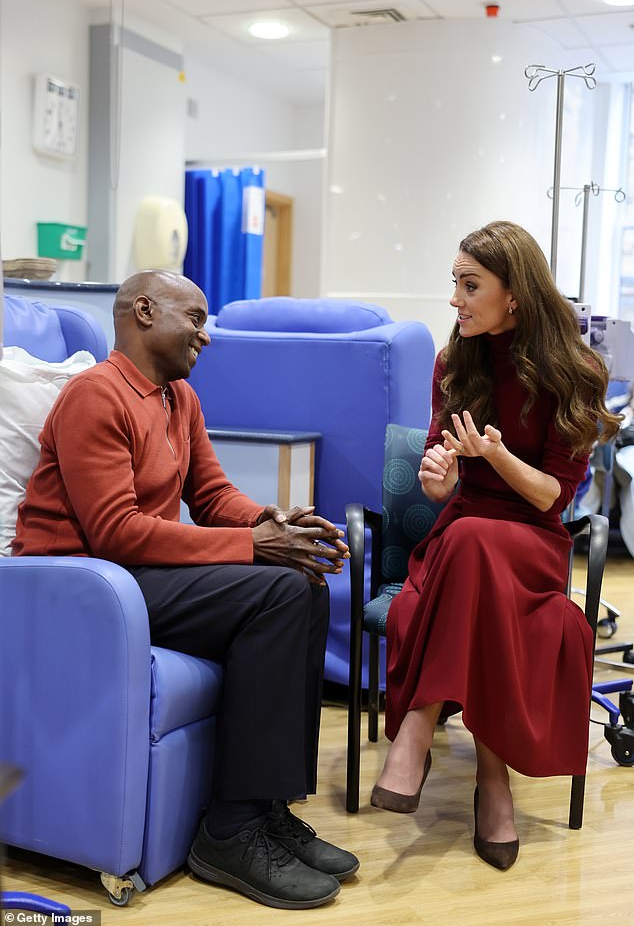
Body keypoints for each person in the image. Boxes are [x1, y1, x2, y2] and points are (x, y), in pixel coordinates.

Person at [12, 270, 359, 909]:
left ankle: (265, 806)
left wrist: (269, 522)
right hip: (79, 589)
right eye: (195, 318)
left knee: (300, 584)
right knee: (277, 592)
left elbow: (211, 495)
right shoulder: (96, 396)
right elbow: (115, 530)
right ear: (144, 311)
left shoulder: (179, 400)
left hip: (132, 578)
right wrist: (253, 547)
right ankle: (228, 832)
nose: (207, 334)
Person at [370, 221, 621, 870]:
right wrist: (442, 475)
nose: (454, 298)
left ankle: (417, 728)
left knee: (478, 541)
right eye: (454, 282)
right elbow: (440, 464)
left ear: (514, 293)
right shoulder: (454, 361)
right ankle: (492, 785)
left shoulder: (577, 369)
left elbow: (550, 498)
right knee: (471, 538)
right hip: (463, 535)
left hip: (533, 542)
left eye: (469, 284)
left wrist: (497, 455)